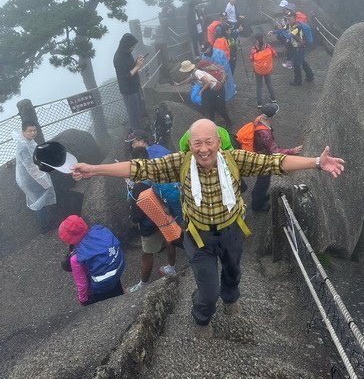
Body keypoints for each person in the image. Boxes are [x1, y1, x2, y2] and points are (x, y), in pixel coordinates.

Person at [71, 118, 345, 338]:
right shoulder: (180, 163)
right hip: (198, 236)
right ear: (189, 145)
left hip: (231, 230)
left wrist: (317, 163)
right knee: (207, 288)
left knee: (233, 272)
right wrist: (95, 169)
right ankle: (202, 317)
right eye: (197, 143)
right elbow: (138, 168)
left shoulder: (234, 159)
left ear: (219, 143)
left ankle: (230, 298)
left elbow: (276, 162)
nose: (203, 149)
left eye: (209, 142)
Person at [127, 146, 177, 290]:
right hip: (165, 215)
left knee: (147, 253)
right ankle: (171, 267)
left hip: (149, 224)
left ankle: (143, 283)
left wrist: (132, 215)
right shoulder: (157, 172)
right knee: (169, 241)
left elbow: (137, 216)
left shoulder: (138, 186)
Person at [58, 215, 125, 305]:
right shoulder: (98, 230)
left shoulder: (76, 258)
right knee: (119, 297)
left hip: (101, 287)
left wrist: (83, 300)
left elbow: (82, 284)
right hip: (116, 272)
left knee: (106, 306)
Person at [250, 103, 303, 211]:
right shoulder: (265, 133)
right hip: (263, 160)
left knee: (261, 181)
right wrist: (292, 151)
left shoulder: (259, 119)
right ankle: (257, 205)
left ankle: (257, 195)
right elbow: (275, 151)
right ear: (272, 116)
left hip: (257, 153)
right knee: (263, 182)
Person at [14, 123, 57, 232]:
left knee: (40, 198)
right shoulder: (24, 145)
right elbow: (31, 167)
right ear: (24, 132)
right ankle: (45, 226)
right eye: (30, 131)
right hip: (29, 179)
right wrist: (44, 181)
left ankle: (47, 221)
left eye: (35, 130)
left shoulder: (27, 140)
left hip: (29, 176)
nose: (33, 133)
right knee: (39, 201)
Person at [176, 60, 232, 129]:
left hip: (218, 89)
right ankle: (212, 125)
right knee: (211, 108)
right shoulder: (193, 73)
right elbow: (188, 80)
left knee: (220, 108)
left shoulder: (197, 73)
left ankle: (229, 122)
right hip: (212, 90)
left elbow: (208, 82)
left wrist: (201, 91)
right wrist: (179, 84)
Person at [113, 33, 146, 134]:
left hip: (135, 86)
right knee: (133, 113)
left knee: (139, 110)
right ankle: (137, 135)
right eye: (132, 46)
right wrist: (137, 67)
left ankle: (142, 131)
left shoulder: (127, 53)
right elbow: (125, 76)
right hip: (128, 90)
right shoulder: (118, 58)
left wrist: (136, 62)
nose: (133, 48)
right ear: (126, 45)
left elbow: (130, 67)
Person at [250, 33, 277, 108]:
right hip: (267, 68)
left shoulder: (254, 48)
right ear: (263, 38)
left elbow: (251, 58)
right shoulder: (268, 46)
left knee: (259, 86)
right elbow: (275, 54)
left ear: (256, 40)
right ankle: (273, 98)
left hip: (258, 70)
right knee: (269, 83)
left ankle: (259, 103)